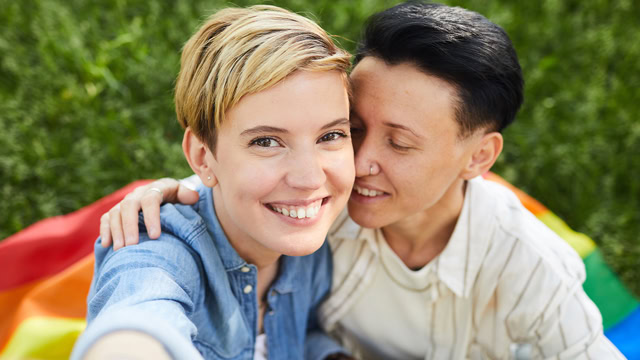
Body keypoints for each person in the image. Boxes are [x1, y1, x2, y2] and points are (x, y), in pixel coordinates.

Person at [100, 2, 626, 359]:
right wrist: (178, 190)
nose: (355, 164)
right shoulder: (317, 225)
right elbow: (148, 305)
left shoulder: (529, 265)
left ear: (480, 157)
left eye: (398, 143)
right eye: (351, 130)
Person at [72, 5, 357, 360]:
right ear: (203, 157)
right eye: (266, 142)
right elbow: (137, 319)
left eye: (330, 135)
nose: (310, 178)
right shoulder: (161, 250)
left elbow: (301, 331)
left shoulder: (312, 237)